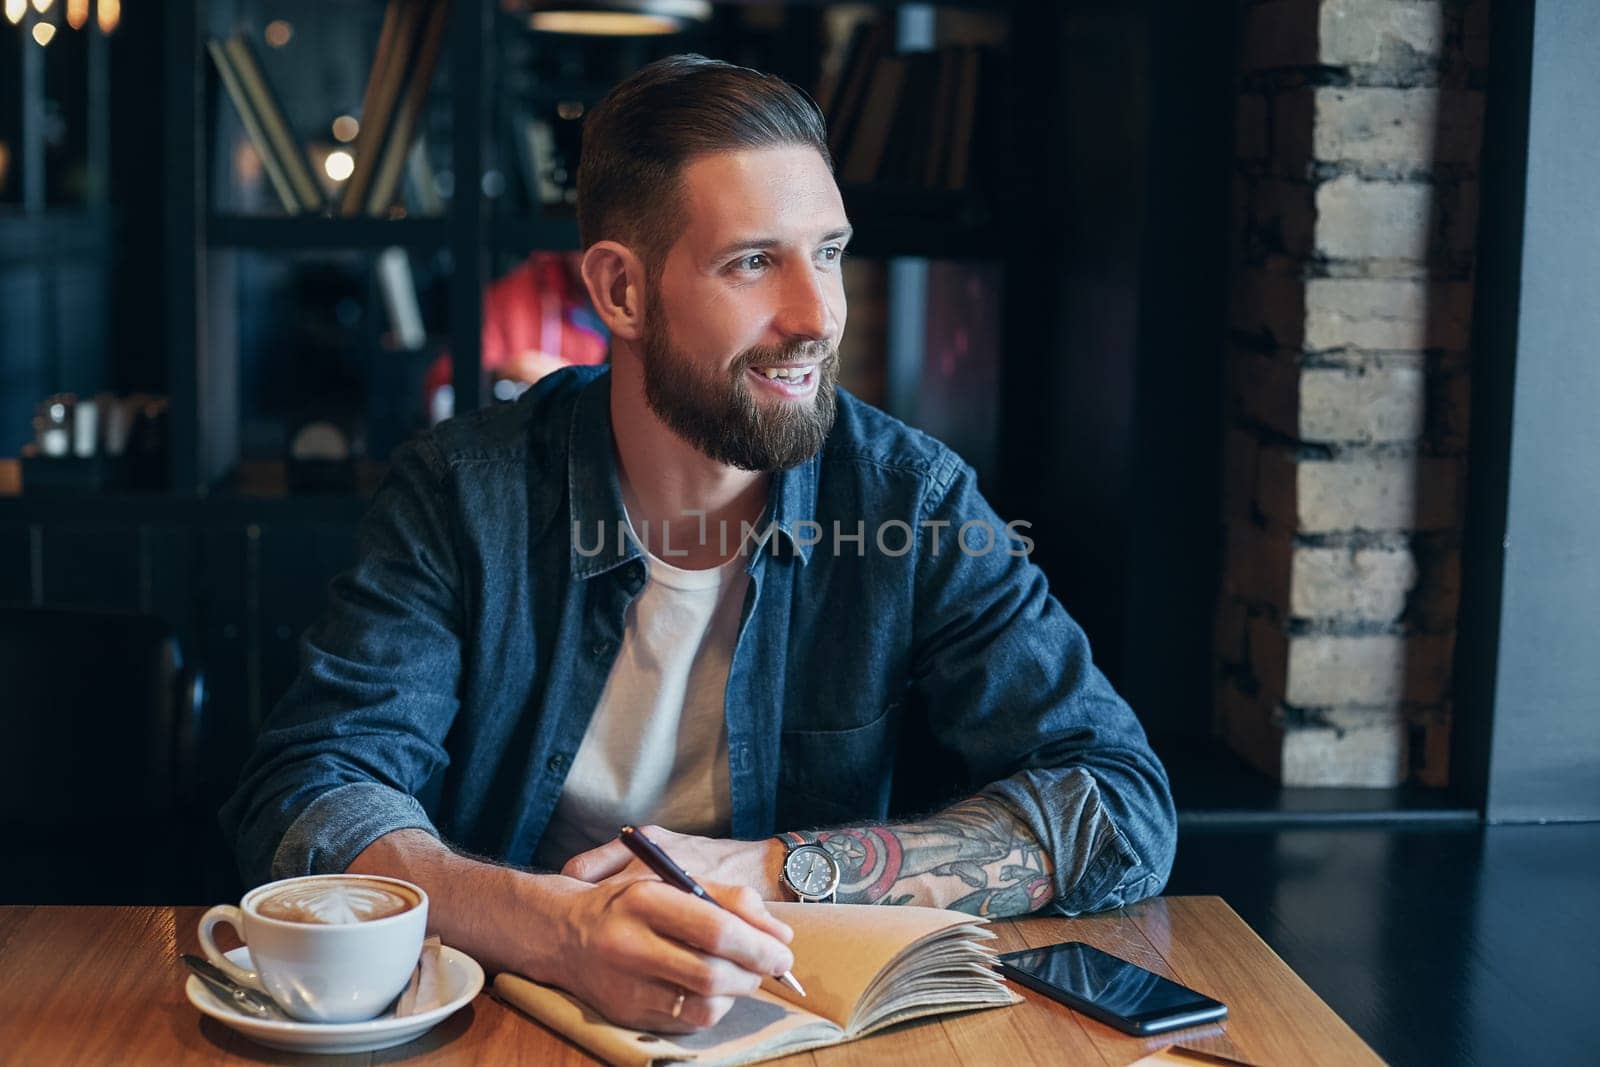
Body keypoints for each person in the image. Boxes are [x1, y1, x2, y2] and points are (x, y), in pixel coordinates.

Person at [221, 54, 1176, 1034]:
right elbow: (313, 793)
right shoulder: (466, 497)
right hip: (508, 1026)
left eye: (830, 251)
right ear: (621, 291)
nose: (817, 316)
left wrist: (775, 867)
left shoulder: (912, 501)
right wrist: (559, 928)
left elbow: (1121, 805)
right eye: (753, 262)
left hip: (796, 1023)